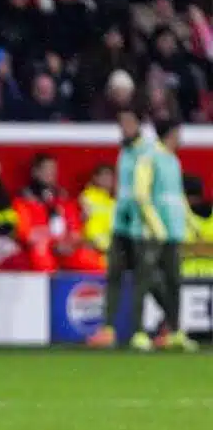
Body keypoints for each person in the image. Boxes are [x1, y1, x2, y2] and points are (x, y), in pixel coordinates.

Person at [132, 119, 198, 352]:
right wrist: (156, 225)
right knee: (144, 281)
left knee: (174, 281)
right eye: (178, 133)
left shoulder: (173, 160)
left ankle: (175, 331)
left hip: (173, 231)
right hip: (152, 233)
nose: (181, 137)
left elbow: (178, 195)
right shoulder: (149, 158)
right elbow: (141, 195)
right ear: (170, 134)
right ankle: (138, 332)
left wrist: (191, 222)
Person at [89, 108, 146, 349]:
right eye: (121, 122)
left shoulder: (147, 152)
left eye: (129, 122)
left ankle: (143, 331)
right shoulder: (124, 152)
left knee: (145, 279)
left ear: (139, 124)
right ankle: (109, 329)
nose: (125, 127)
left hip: (141, 225)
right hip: (121, 225)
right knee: (114, 275)